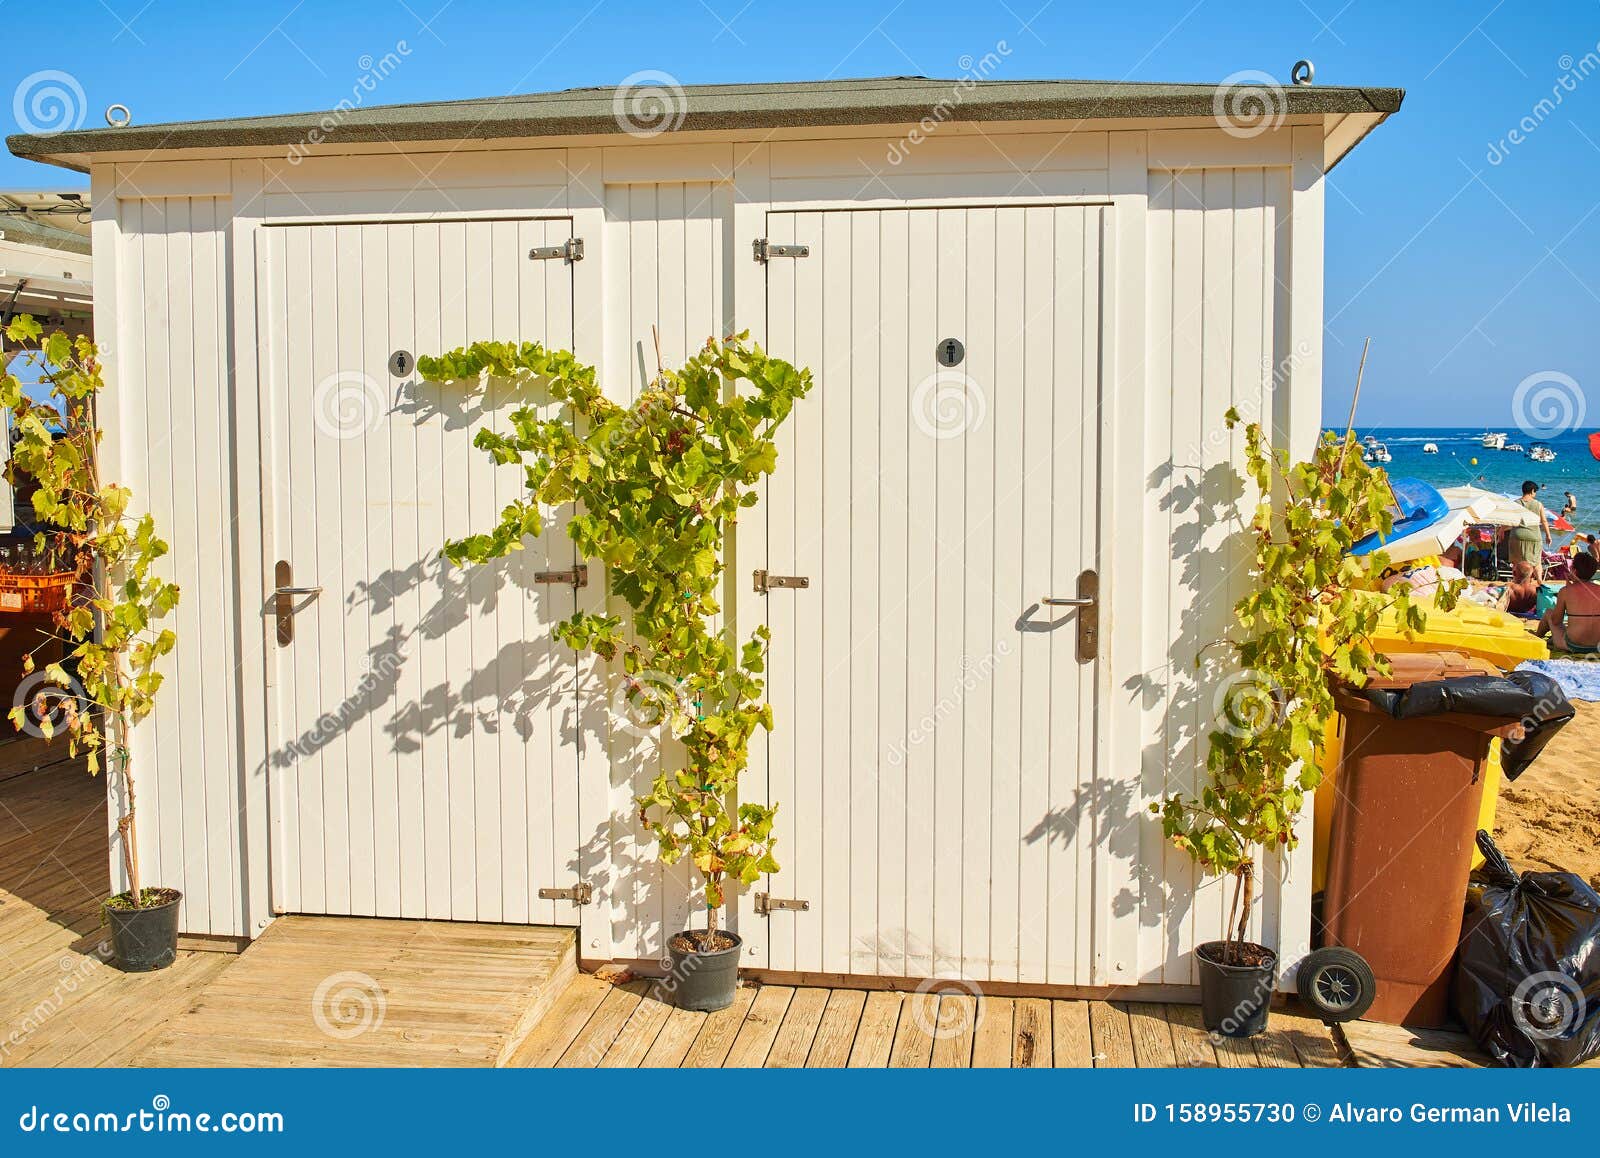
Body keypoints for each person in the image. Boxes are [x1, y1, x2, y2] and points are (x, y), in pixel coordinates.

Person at [1539, 552, 1600, 653]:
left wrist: (1567, 589)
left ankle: (1537, 637)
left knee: (1549, 613)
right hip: (1597, 646)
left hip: (1575, 645)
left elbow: (1556, 621)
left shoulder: (1565, 591)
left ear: (1574, 571)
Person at [1510, 480, 1552, 579]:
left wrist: (1501, 531)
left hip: (1517, 535)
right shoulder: (1538, 504)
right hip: (1533, 536)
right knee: (1536, 562)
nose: (1535, 494)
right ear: (1532, 491)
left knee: (1516, 563)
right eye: (1535, 492)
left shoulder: (1515, 503)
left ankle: (1517, 582)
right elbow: (1544, 521)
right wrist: (1548, 535)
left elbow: (1510, 520)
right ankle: (1540, 582)